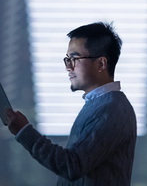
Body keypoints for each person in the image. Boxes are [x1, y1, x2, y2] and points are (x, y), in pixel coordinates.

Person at [5, 21, 137, 186]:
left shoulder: (111, 108)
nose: (68, 67)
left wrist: (24, 131)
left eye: (74, 58)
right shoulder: (101, 104)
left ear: (101, 64)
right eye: (67, 59)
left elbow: (72, 166)